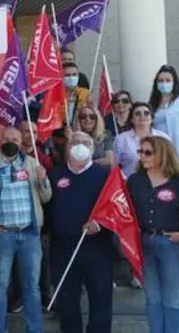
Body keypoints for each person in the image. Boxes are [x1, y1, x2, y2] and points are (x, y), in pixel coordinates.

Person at [0, 126, 51, 333]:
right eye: (7, 138)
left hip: (29, 234)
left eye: (15, 139)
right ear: (0, 140)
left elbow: (46, 197)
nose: (10, 142)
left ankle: (34, 329)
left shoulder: (32, 163)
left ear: (21, 143)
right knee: (0, 285)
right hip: (3, 234)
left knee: (32, 286)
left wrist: (43, 179)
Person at [128, 136, 179, 333]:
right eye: (140, 152)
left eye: (148, 152)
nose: (142, 156)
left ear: (162, 154)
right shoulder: (134, 181)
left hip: (171, 245)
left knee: (172, 299)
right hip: (143, 244)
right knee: (152, 299)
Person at [48, 131, 114, 333]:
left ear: (93, 149)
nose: (81, 145)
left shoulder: (105, 175)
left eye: (86, 142)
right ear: (67, 147)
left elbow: (116, 209)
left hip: (97, 249)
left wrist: (100, 224)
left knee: (101, 303)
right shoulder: (54, 174)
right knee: (67, 305)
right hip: (63, 249)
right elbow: (46, 207)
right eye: (76, 141)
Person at [9, 120, 54, 313]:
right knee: (15, 263)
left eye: (34, 132)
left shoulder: (43, 159)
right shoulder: (9, 157)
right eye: (26, 131)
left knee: (41, 261)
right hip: (14, 218)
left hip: (38, 219)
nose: (31, 135)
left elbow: (49, 195)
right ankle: (17, 297)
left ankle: (45, 297)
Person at [148, 64, 179, 176]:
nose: (164, 83)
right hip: (160, 154)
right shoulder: (152, 104)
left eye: (167, 80)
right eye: (160, 81)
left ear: (174, 82)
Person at [114, 102, 170, 178]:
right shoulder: (121, 139)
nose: (142, 116)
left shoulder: (163, 137)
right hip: (130, 183)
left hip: (159, 182)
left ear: (152, 118)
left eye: (146, 113)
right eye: (138, 113)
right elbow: (114, 166)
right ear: (131, 119)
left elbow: (170, 162)